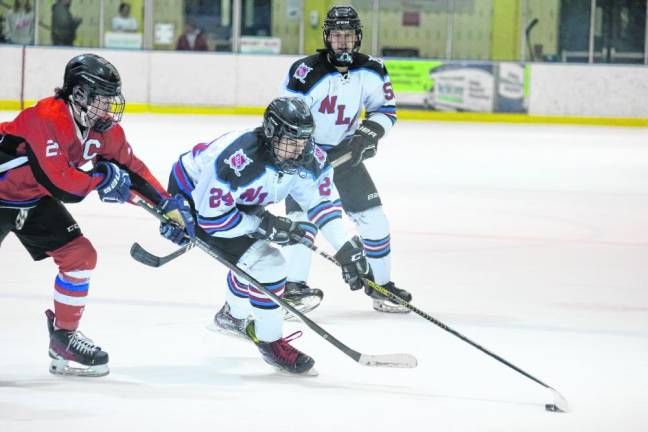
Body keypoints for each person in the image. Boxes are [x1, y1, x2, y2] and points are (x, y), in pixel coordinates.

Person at [0, 53, 194, 377]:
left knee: (80, 255)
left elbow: (132, 170)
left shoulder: (101, 129)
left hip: (31, 199)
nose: (109, 108)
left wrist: (167, 207)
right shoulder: (46, 117)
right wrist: (102, 179)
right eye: (102, 100)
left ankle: (64, 337)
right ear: (79, 94)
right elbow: (62, 184)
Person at [165, 97, 372, 375]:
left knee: (253, 255)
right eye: (291, 141)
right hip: (192, 199)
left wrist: (348, 247)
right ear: (272, 133)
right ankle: (270, 340)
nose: (299, 150)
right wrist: (264, 224)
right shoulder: (238, 161)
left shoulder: (307, 158)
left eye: (304, 141)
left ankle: (232, 316)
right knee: (269, 263)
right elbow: (213, 220)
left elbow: (322, 204)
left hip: (238, 202)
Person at [280, 5, 411, 314]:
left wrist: (366, 136)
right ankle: (294, 287)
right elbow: (287, 116)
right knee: (303, 221)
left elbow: (385, 110)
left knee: (374, 218)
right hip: (306, 159)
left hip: (347, 155)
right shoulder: (306, 71)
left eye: (348, 35)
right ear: (327, 37)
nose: (342, 42)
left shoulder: (372, 69)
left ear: (357, 37)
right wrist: (304, 152)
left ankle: (381, 286)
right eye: (337, 35)